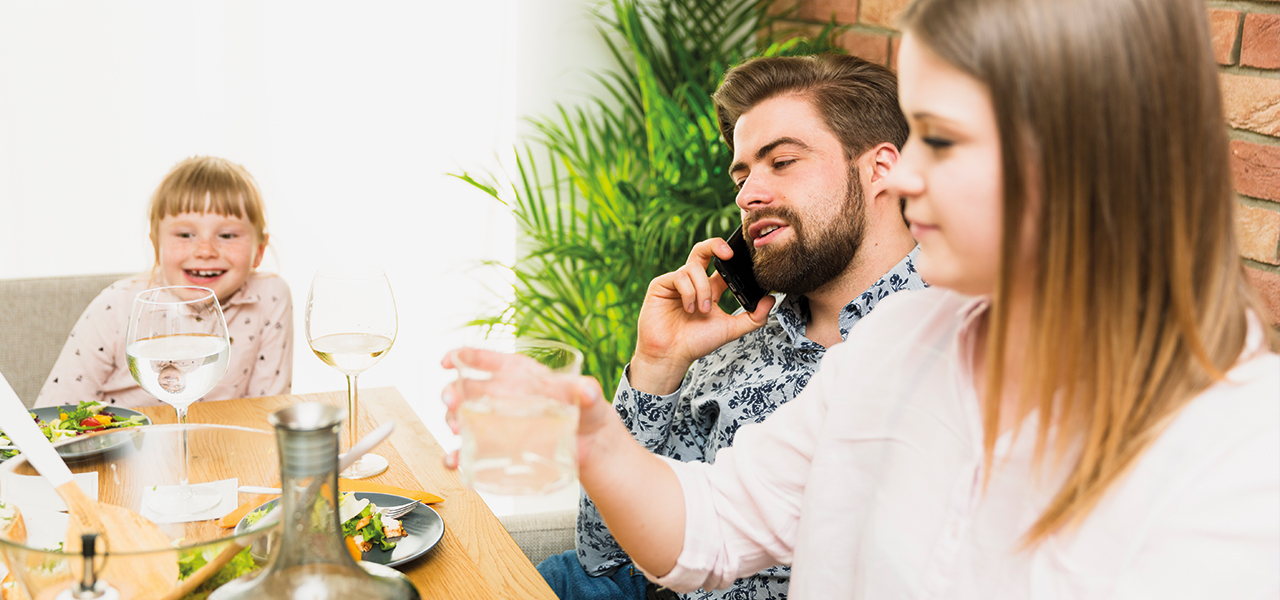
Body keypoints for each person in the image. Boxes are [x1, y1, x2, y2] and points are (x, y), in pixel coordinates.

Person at [445, 0, 1280, 596]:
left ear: (1087, 153)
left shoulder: (1240, 462)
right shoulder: (906, 338)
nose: (907, 174)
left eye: (941, 141)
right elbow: (715, 526)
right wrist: (598, 434)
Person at [538, 53, 926, 600]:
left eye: (782, 162)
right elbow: (609, 558)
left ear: (880, 168)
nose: (746, 195)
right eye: (742, 174)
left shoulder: (943, 345)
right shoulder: (740, 336)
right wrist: (658, 364)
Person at [36, 156, 293, 409]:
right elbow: (55, 411)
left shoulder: (270, 296)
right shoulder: (116, 305)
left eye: (227, 235)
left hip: (218, 448)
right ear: (157, 247)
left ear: (259, 251)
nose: (205, 250)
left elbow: (266, 412)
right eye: (184, 234)